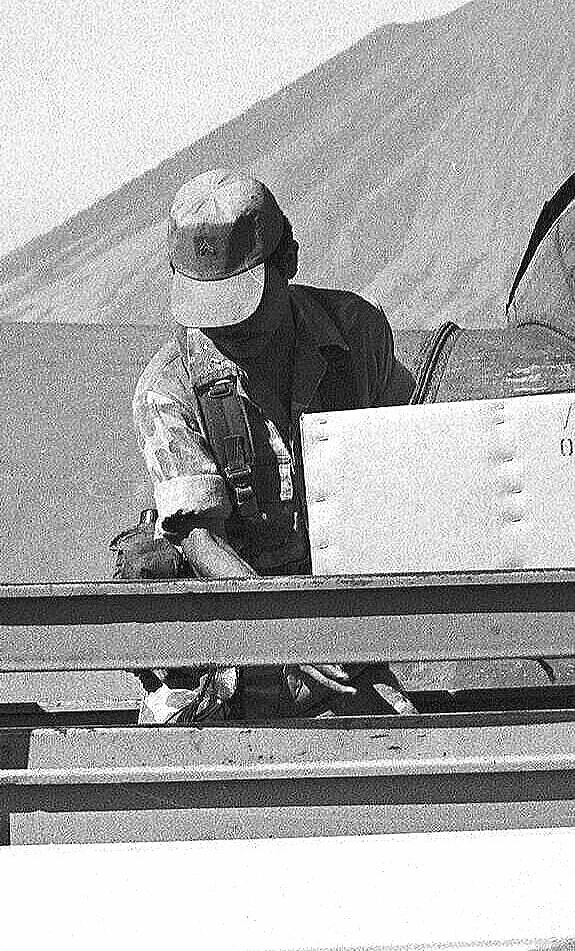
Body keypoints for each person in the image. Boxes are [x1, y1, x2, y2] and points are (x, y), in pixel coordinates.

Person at [121, 168, 415, 722]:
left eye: (242, 307)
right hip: (230, 626)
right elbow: (199, 538)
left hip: (343, 623)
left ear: (288, 262)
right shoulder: (168, 388)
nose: (224, 331)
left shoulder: (356, 333)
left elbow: (401, 461)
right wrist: (289, 632)